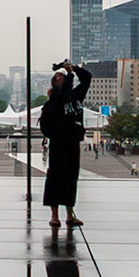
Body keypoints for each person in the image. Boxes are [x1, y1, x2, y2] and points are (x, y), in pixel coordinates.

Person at [39, 61, 90, 228]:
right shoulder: (54, 100)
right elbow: (62, 95)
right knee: (55, 177)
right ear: (54, 84)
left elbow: (87, 78)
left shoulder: (75, 97)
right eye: (57, 77)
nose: (60, 78)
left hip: (73, 142)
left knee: (71, 177)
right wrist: (69, 75)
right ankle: (54, 215)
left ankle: (69, 214)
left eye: (62, 76)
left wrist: (74, 68)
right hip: (59, 143)